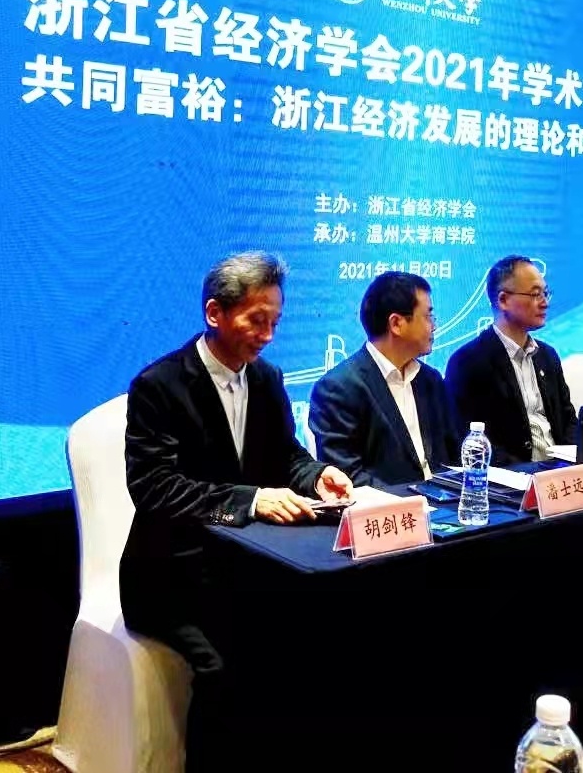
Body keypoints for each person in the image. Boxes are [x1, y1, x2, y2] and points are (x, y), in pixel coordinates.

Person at [119, 251, 353, 773]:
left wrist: (317, 475)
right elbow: (154, 488)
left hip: (248, 564)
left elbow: (285, 455)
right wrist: (250, 500)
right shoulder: (160, 386)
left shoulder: (266, 378)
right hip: (171, 575)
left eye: (275, 321)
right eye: (256, 320)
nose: (267, 335)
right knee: (229, 666)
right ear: (214, 313)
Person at [310, 270, 459, 486]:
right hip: (390, 505)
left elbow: (454, 455)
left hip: (446, 501)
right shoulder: (338, 388)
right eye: (428, 317)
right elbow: (348, 477)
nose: (434, 326)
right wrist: (414, 501)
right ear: (396, 323)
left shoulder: (431, 380)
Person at [444, 255, 575, 464]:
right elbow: (468, 439)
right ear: (503, 300)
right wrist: (524, 472)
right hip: (510, 475)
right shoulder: (468, 362)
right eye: (535, 294)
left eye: (545, 293)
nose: (544, 303)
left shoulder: (547, 356)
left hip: (559, 470)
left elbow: (569, 422)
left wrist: (572, 462)